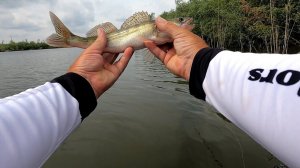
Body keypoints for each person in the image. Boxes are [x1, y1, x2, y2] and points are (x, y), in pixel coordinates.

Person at [0, 16, 299, 168]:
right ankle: (70, 39)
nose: (184, 26)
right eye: (180, 24)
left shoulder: (160, 35)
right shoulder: (154, 31)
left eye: (181, 24)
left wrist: (77, 84)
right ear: (161, 29)